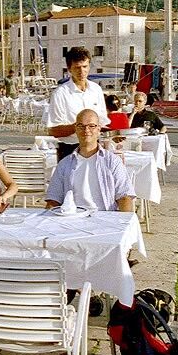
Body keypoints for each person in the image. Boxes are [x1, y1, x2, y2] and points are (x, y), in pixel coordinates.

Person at [45, 108, 136, 316]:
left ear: (99, 130)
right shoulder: (65, 164)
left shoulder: (111, 161)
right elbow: (52, 200)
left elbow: (125, 197)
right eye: (82, 126)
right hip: (70, 224)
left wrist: (124, 232)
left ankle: (87, 291)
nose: (87, 130)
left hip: (104, 224)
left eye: (92, 126)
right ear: (75, 130)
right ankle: (68, 297)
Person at [47, 46, 110, 162]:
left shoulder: (96, 90)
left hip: (95, 148)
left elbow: (101, 122)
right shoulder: (60, 94)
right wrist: (80, 127)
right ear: (69, 69)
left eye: (85, 66)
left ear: (89, 66)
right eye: (77, 68)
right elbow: (53, 130)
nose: (82, 71)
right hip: (69, 149)